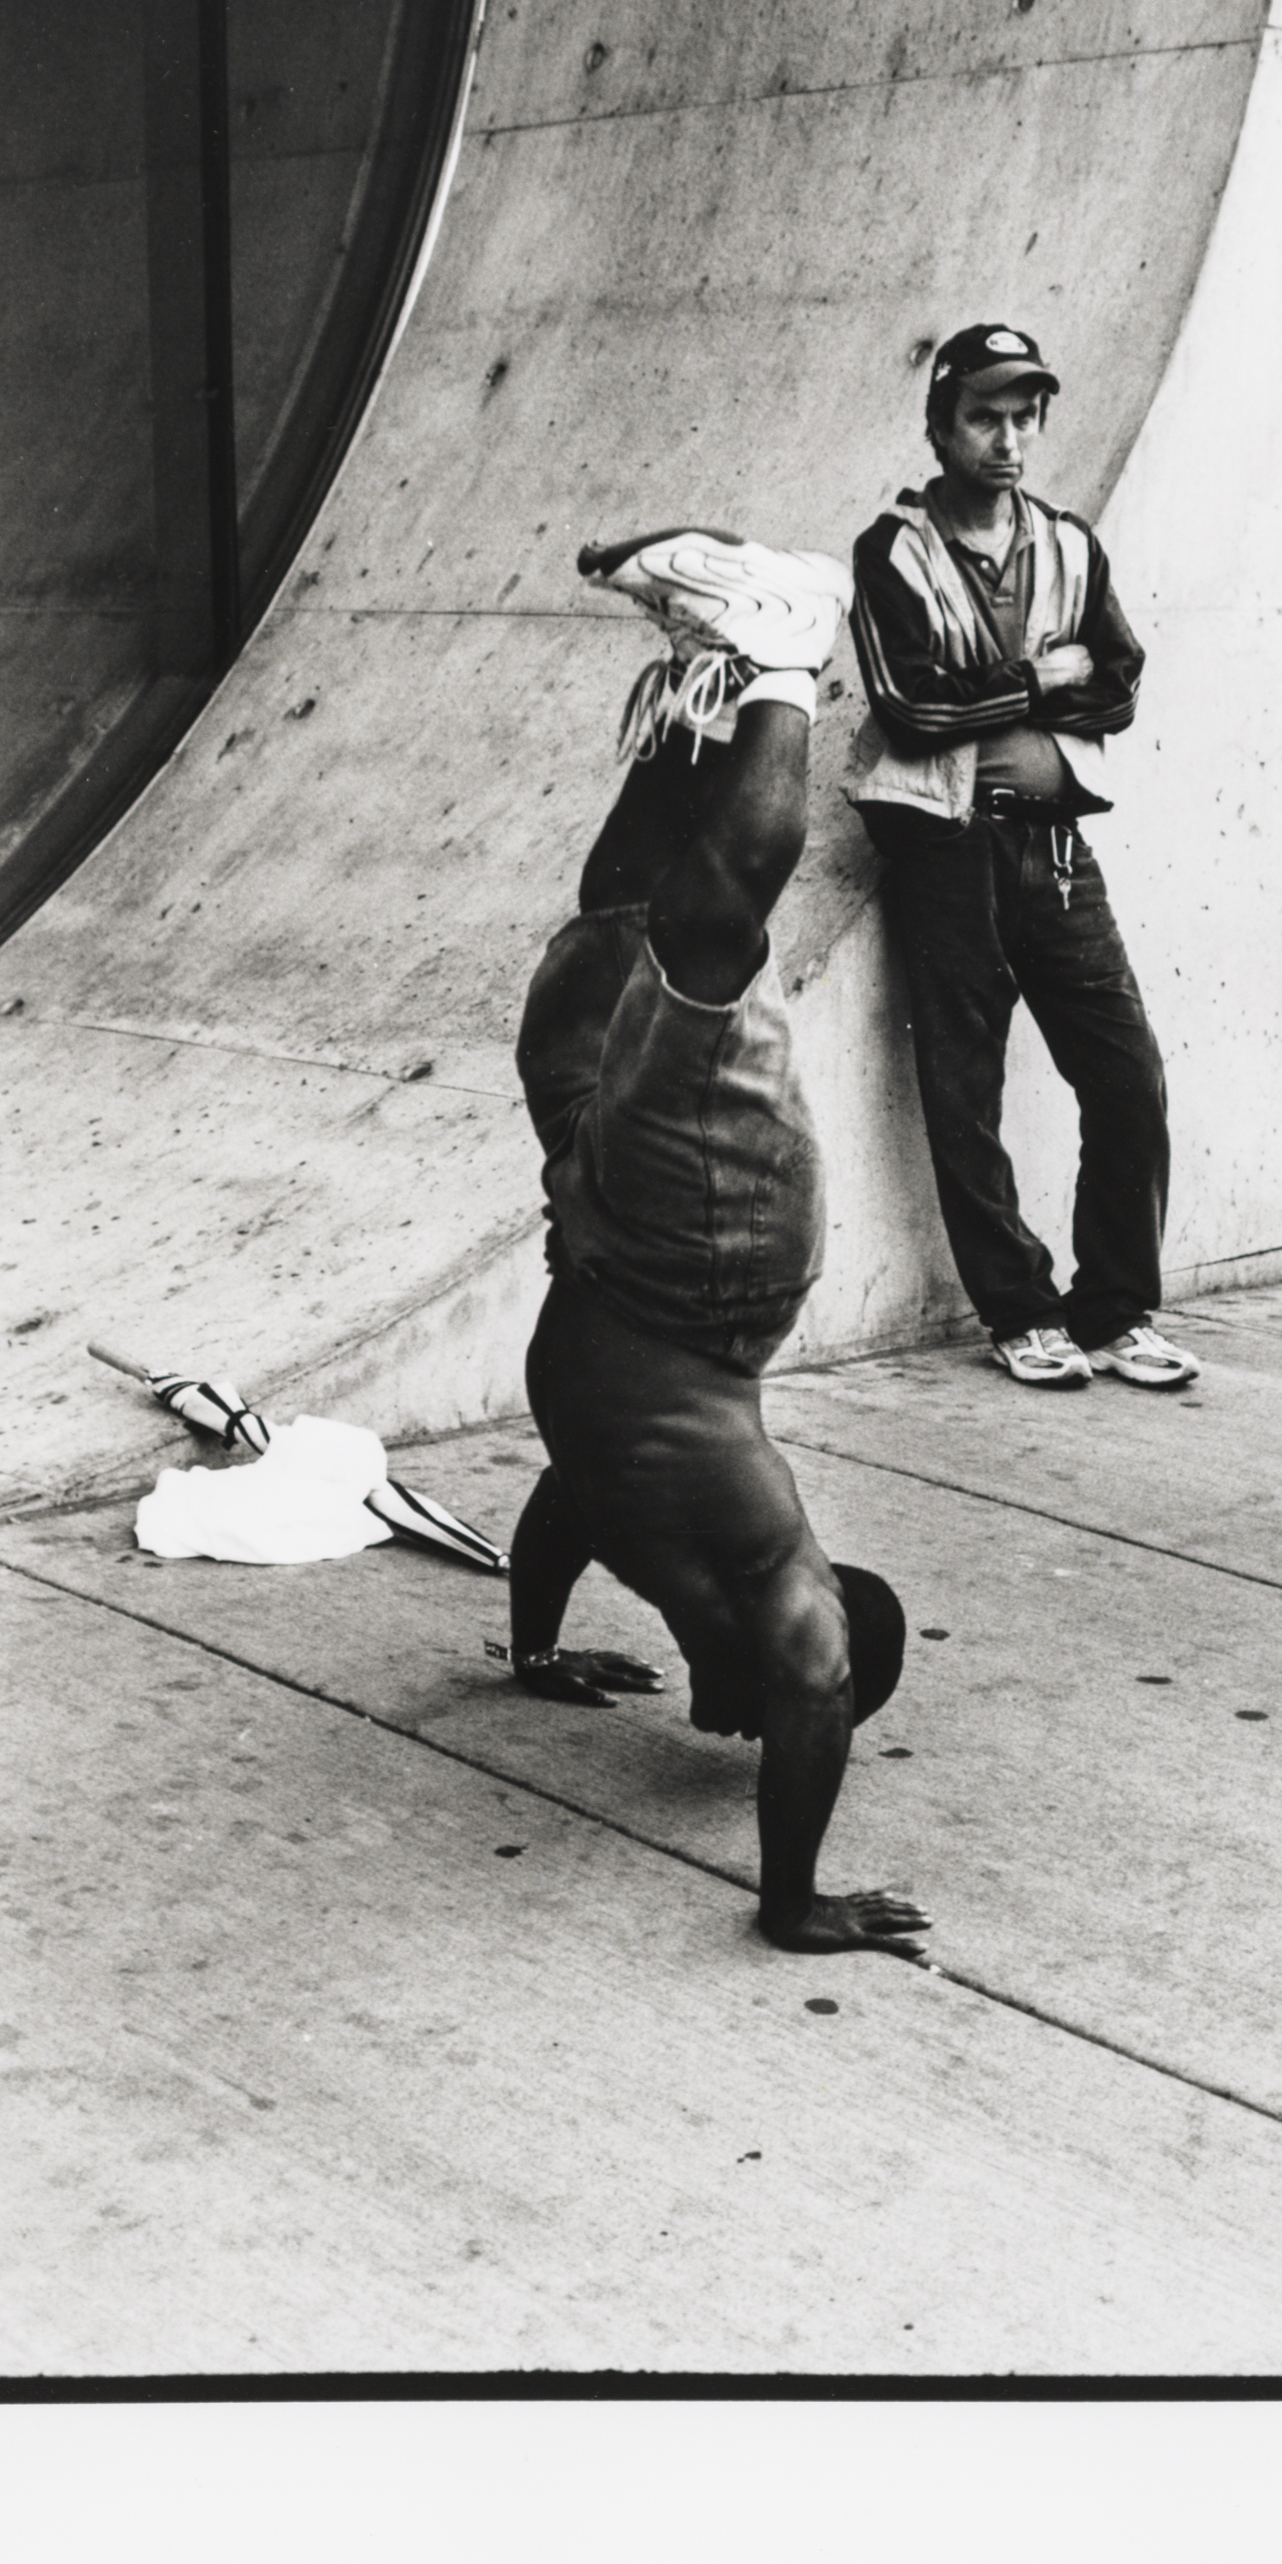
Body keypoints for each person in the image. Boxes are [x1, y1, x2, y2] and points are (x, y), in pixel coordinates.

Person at [500, 527, 928, 1965]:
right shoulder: (766, 1568)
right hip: (704, 1252)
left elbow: (569, 1503)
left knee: (600, 952)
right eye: (752, 1719)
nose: (733, 1726)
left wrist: (534, 1649)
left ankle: (715, 675)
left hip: (602, 1218)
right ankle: (790, 652)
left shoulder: (649, 1540)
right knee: (702, 937)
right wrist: (794, 1900)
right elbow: (811, 1677)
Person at [847, 322, 1201, 1393]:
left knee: (1128, 1076)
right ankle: (1021, 1312)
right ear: (939, 427)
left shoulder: (1068, 544)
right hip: (945, 848)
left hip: (1055, 848)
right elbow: (910, 709)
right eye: (984, 418)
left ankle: (1116, 1311)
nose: (1007, 440)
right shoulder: (893, 551)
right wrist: (1041, 679)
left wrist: (1003, 692)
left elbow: (1121, 684)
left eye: (1024, 417)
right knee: (965, 1092)